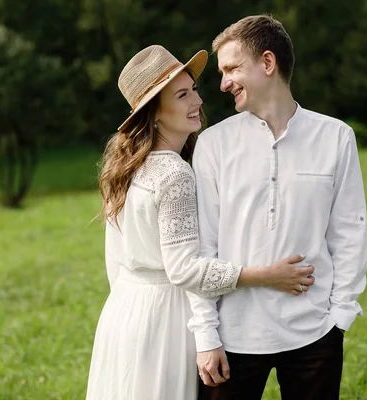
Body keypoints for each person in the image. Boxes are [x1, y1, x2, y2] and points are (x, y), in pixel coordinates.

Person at [85, 45, 316, 400]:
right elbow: (184, 270)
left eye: (193, 89)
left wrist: (132, 307)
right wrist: (267, 276)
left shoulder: (126, 169)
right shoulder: (175, 174)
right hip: (165, 319)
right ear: (155, 113)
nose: (197, 101)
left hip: (123, 312)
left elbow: (114, 262)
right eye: (182, 95)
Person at [189, 15, 367, 400]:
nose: (223, 83)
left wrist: (340, 316)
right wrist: (206, 334)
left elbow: (349, 231)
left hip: (314, 333)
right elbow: (203, 248)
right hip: (233, 335)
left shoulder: (335, 137)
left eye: (232, 68)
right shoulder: (213, 144)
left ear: (267, 64)